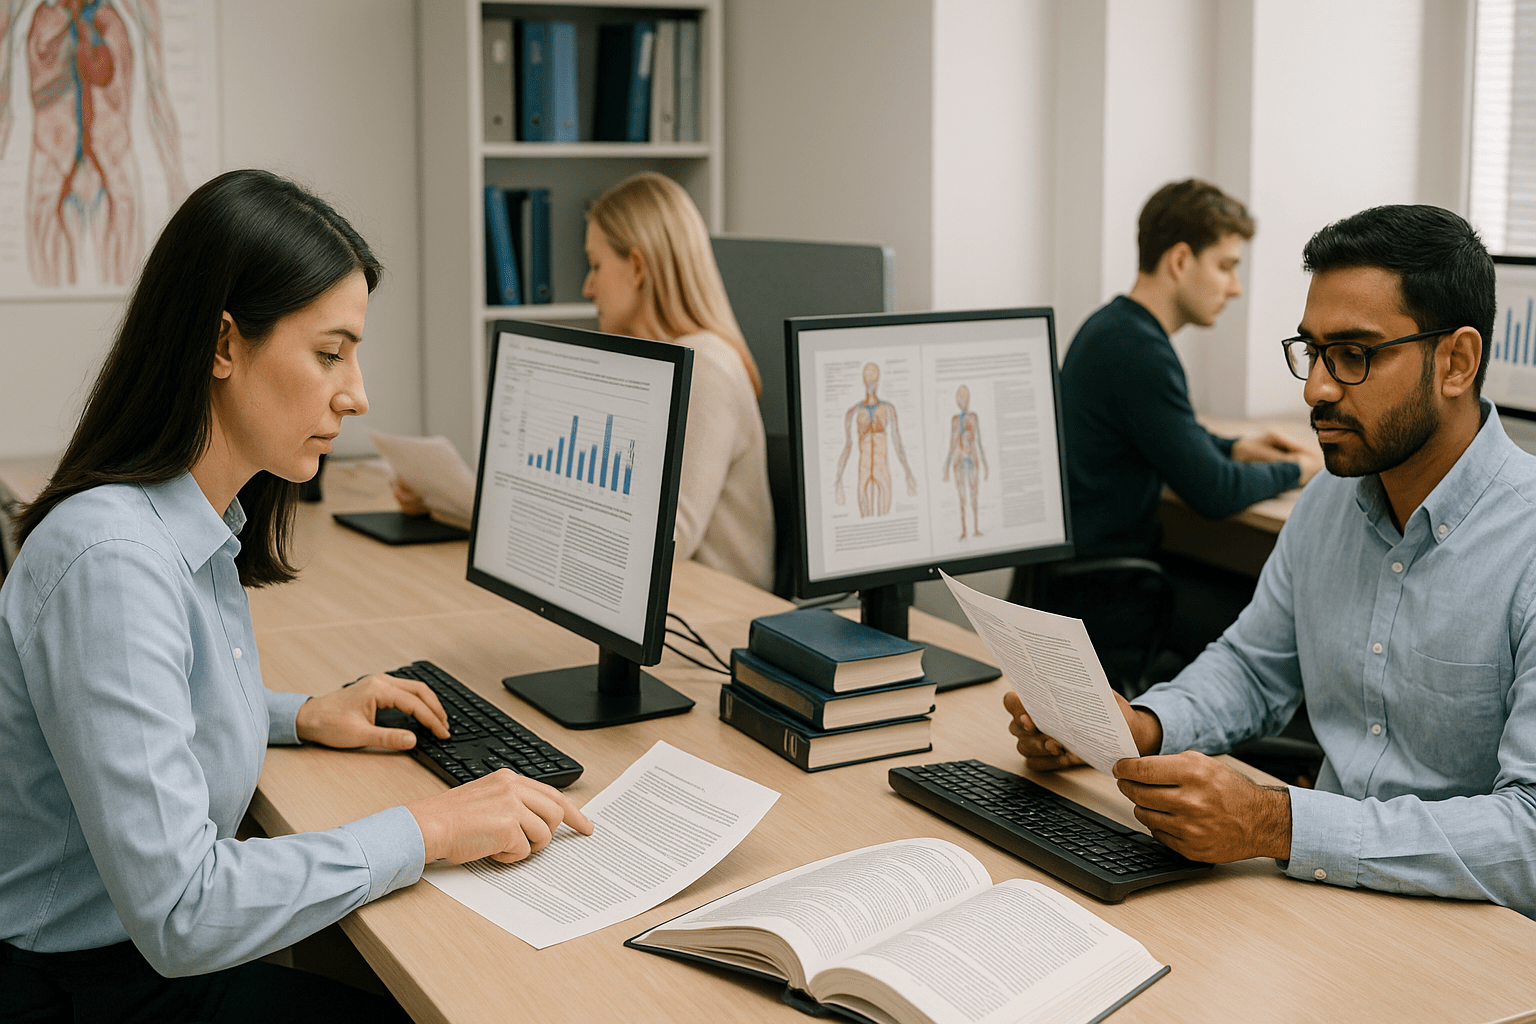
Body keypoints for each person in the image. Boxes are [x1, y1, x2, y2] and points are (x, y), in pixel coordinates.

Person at [0, 169, 593, 1022]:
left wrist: (300, 714)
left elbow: (139, 706)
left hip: (125, 963)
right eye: (329, 353)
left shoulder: (187, 521)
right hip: (86, 987)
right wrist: (431, 829)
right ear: (223, 344)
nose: (357, 393)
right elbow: (184, 911)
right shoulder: (113, 564)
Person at [1006, 204, 1536, 917]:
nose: (1316, 388)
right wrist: (1143, 727)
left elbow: (1529, 834)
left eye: (1354, 355)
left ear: (1456, 363)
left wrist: (1275, 822)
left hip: (1465, 932)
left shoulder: (1525, 542)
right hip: (1323, 896)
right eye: (1312, 351)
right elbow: (1254, 667)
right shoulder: (1330, 503)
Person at [1013, 180, 1323, 665]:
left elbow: (1161, 433)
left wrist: (1233, 448)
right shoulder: (1141, 352)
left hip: (1072, 582)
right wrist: (1301, 469)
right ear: (1180, 261)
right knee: (1280, 623)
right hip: (1103, 600)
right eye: (1226, 266)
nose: (1235, 288)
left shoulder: (1111, 327)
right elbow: (1215, 491)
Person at [582, 171, 774, 590]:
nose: (587, 287)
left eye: (596, 265)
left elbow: (673, 538)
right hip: (666, 598)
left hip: (715, 611)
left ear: (637, 267)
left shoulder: (706, 367)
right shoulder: (657, 363)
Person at [832, 361, 918, 517]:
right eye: (868, 375)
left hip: (882, 469)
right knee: (866, 519)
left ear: (878, 380)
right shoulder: (853, 412)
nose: (870, 379)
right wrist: (838, 479)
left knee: (884, 518)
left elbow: (897, 442)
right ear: (863, 379)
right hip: (864, 470)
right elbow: (848, 446)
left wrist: (908, 472)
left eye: (873, 376)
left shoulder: (888, 408)